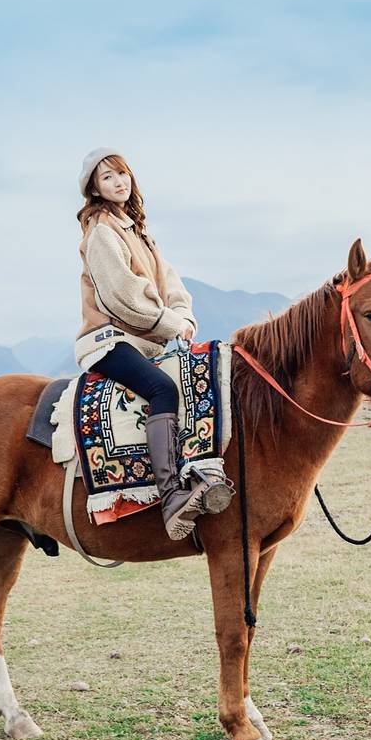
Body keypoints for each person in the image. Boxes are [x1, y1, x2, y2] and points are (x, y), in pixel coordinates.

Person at [74, 147, 233, 540]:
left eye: (122, 173)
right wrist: (168, 324)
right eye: (107, 177)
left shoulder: (138, 232)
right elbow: (122, 296)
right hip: (110, 339)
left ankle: (197, 468)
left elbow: (170, 282)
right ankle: (171, 497)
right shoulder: (101, 233)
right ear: (94, 189)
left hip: (147, 340)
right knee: (163, 388)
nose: (118, 182)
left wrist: (184, 317)